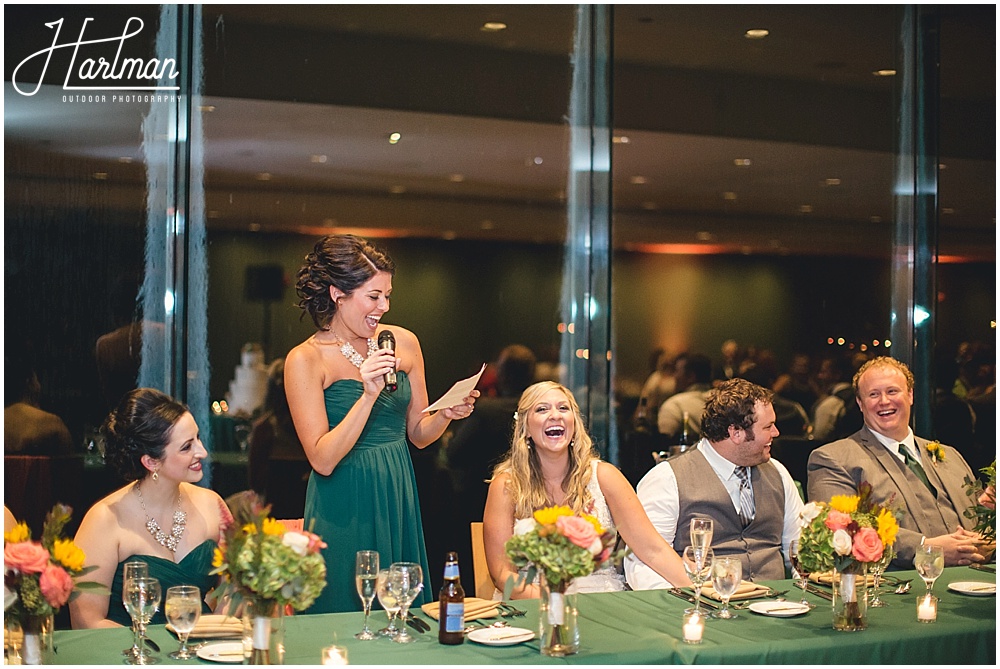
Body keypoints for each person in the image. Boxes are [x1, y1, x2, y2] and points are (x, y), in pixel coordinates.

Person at [284, 234, 478, 614]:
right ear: (338, 293)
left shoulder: (403, 342)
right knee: (344, 608)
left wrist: (446, 413)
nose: (384, 307)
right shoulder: (305, 359)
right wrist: (367, 394)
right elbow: (322, 460)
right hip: (342, 499)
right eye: (374, 297)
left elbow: (419, 436)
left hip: (397, 490)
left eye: (388, 296)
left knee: (399, 607)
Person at [483, 381, 690, 599]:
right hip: (533, 604)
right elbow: (502, 573)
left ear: (574, 424)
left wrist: (698, 593)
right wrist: (550, 601)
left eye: (564, 408)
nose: (555, 415)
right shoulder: (506, 486)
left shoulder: (605, 477)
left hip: (603, 603)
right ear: (525, 428)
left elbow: (652, 550)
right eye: (542, 409)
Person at [70, 388, 229, 629]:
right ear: (151, 461)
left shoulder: (211, 505)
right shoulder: (105, 519)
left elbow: (231, 590)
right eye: (187, 447)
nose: (202, 452)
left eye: (198, 438)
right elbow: (87, 622)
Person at [807, 356, 988, 568]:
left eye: (892, 391)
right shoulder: (833, 459)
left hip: (978, 581)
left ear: (910, 395)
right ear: (860, 404)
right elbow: (840, 530)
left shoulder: (951, 456)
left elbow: (982, 521)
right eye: (873, 394)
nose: (884, 401)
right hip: (897, 587)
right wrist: (925, 547)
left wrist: (989, 538)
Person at [626, 378, 805, 589]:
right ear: (736, 433)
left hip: (777, 606)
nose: (776, 433)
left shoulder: (778, 472)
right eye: (768, 426)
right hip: (702, 608)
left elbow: (800, 546)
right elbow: (644, 561)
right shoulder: (667, 478)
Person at [247, 358, 311, 520]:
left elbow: (256, 481)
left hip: (275, 513)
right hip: (308, 508)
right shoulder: (315, 423)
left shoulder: (265, 428)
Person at [656, 353, 713, 439]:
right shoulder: (726, 402)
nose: (674, 376)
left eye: (677, 371)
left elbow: (665, 442)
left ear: (690, 376)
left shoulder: (674, 405)